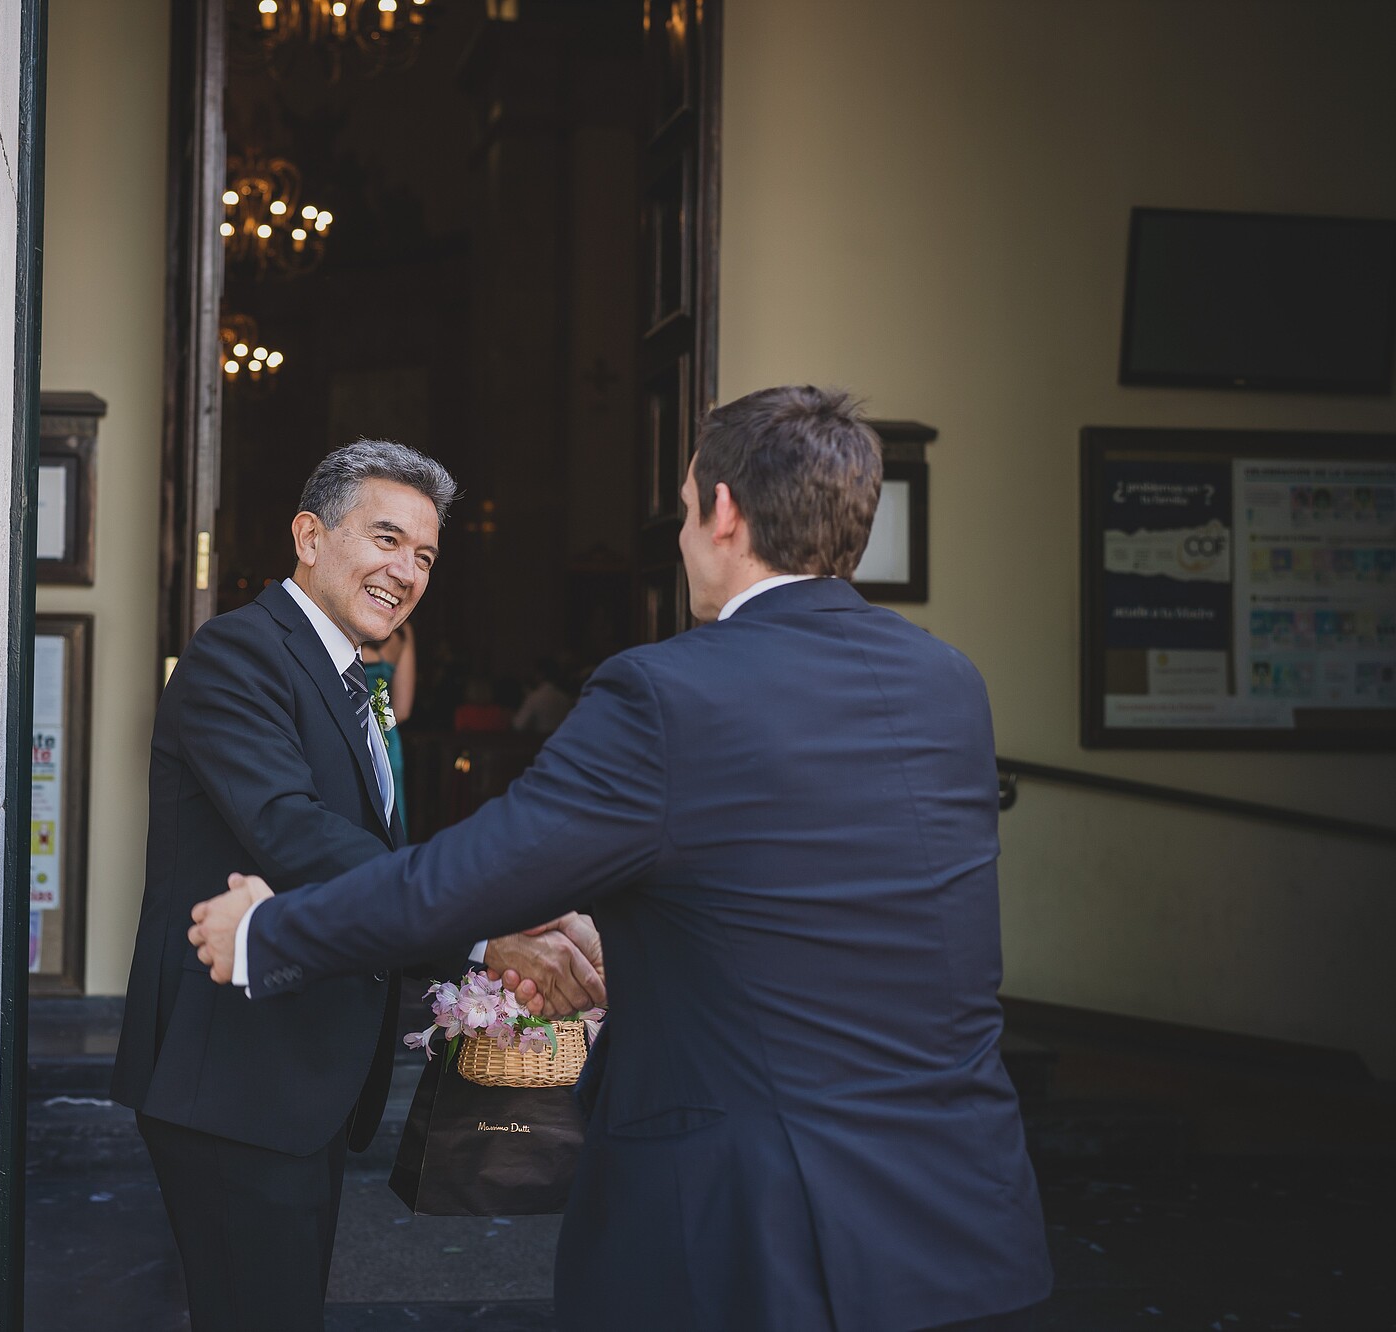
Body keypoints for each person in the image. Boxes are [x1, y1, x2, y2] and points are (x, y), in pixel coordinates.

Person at [190, 388, 1054, 1332]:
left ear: (723, 512)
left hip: (755, 1236)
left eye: (684, 510)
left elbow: (477, 874)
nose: (682, 537)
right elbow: (798, 896)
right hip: (968, 1216)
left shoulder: (669, 690)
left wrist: (271, 931)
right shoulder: (949, 682)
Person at [109, 440, 606, 1332]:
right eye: (386, 539)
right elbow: (297, 837)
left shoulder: (347, 675)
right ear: (309, 535)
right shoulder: (238, 655)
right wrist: (481, 933)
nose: (406, 571)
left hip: (300, 1080)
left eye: (423, 555)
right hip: (233, 1074)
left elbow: (366, 853)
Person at [358, 622, 413, 829]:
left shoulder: (346, 616)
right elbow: (403, 709)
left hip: (347, 733)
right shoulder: (403, 629)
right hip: (386, 738)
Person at [511, 656, 574, 735]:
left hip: (538, 744)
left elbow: (519, 725)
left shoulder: (534, 697)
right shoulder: (565, 698)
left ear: (540, 674)